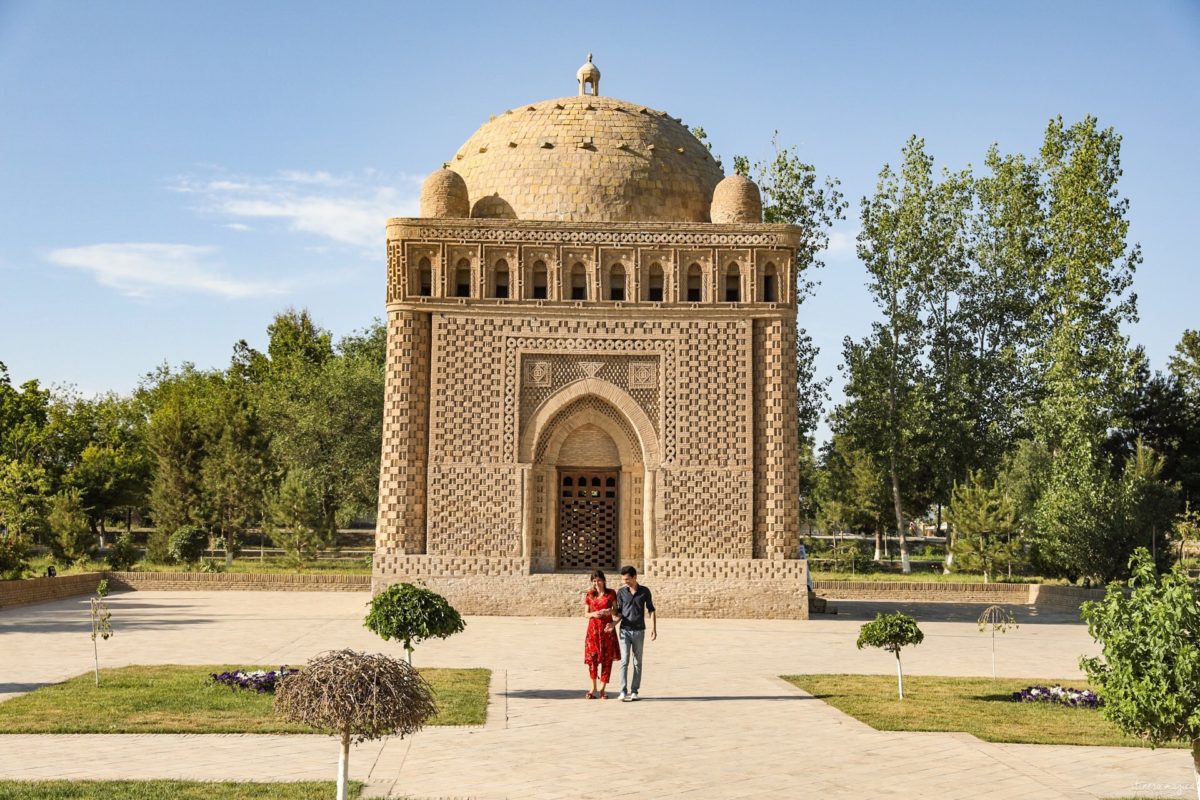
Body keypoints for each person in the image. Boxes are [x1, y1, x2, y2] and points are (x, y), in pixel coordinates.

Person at [614, 565, 656, 702]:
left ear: (634, 577)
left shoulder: (644, 591)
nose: (625, 581)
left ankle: (634, 691)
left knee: (637, 662)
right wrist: (613, 623)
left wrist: (653, 628)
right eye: (624, 579)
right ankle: (622, 690)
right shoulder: (621, 592)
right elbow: (619, 613)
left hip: (639, 631)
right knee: (624, 660)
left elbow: (651, 610)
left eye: (627, 579)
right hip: (624, 630)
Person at [582, 569, 620, 699]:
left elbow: (616, 611)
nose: (596, 583)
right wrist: (594, 614)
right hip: (593, 631)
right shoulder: (590, 595)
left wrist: (609, 611)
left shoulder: (611, 594)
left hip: (607, 630)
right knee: (592, 659)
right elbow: (586, 614)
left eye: (598, 580)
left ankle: (603, 688)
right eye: (594, 581)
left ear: (603, 580)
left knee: (607, 659)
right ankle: (593, 687)